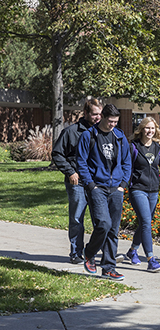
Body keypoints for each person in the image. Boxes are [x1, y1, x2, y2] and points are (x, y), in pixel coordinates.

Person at [76, 103, 131, 280]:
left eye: (116, 122)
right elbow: (81, 161)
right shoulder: (89, 135)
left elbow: (127, 162)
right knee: (103, 224)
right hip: (97, 188)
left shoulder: (120, 136)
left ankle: (108, 268)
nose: (113, 125)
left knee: (113, 230)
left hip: (116, 188)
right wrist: (90, 184)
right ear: (102, 118)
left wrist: (123, 183)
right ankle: (89, 252)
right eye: (110, 121)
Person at [52, 98, 102, 264]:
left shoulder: (102, 131)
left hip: (97, 182)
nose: (98, 117)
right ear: (86, 113)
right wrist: (70, 172)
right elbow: (57, 154)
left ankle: (99, 252)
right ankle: (76, 253)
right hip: (77, 182)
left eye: (100, 114)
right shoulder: (71, 132)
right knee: (77, 218)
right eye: (94, 114)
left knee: (100, 219)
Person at [125, 117, 160, 272]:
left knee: (144, 223)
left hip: (153, 191)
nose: (150, 131)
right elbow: (126, 167)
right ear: (141, 129)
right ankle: (151, 260)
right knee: (146, 222)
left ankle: (133, 251)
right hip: (137, 189)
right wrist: (122, 186)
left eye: (152, 128)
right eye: (147, 128)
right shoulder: (133, 147)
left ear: (156, 130)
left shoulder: (158, 148)